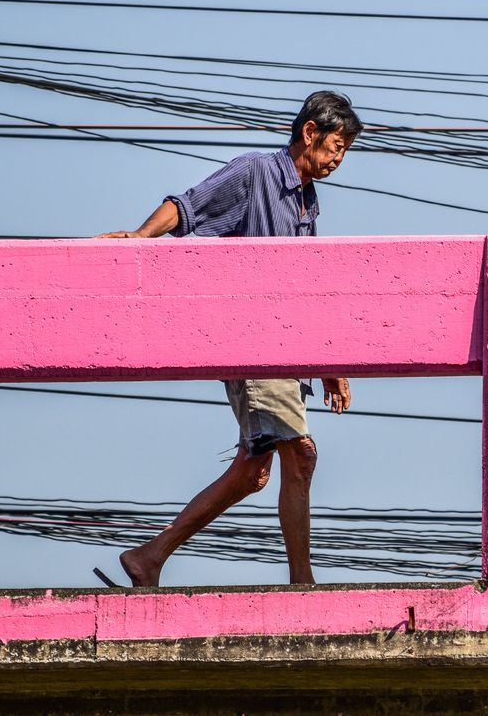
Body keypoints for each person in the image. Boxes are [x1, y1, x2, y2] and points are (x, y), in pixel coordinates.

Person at [96, 91, 363, 586]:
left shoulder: (306, 200)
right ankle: (302, 582)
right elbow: (188, 206)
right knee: (299, 454)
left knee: (253, 471)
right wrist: (141, 238)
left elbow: (302, 286)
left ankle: (150, 557)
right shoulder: (257, 172)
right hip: (254, 343)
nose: (339, 158)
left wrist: (329, 359)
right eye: (337, 145)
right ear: (310, 133)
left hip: (285, 351)